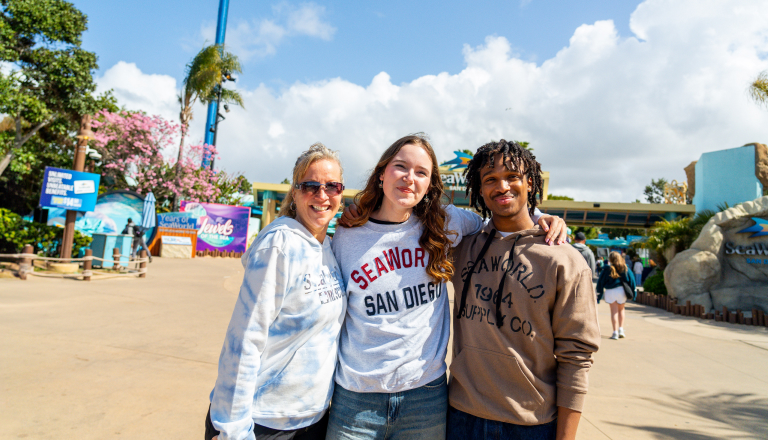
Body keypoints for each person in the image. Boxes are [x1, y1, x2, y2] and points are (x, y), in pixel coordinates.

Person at [326, 134, 568, 440]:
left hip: (425, 398)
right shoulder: (346, 233)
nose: (409, 178)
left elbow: (498, 216)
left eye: (421, 172)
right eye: (401, 167)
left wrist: (540, 216)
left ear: (430, 184)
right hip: (356, 397)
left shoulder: (445, 222)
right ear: (381, 173)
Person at [447, 139, 600, 440]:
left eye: (512, 177)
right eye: (490, 180)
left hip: (531, 424)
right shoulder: (463, 248)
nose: (502, 186)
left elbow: (577, 356)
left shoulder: (563, 259)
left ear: (530, 183)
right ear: (479, 191)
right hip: (461, 416)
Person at [206, 143, 347, 440]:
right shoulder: (280, 245)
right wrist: (234, 430)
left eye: (332, 186)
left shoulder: (326, 247)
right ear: (294, 193)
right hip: (263, 421)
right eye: (310, 186)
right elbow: (244, 340)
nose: (322, 195)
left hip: (310, 420)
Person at [596, 251, 637, 340]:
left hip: (610, 291)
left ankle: (615, 332)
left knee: (613, 312)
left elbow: (600, 283)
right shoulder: (625, 268)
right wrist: (634, 294)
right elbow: (632, 281)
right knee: (621, 310)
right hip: (621, 291)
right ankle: (621, 330)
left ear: (610, 259)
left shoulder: (606, 269)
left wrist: (598, 296)